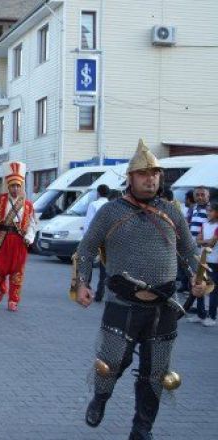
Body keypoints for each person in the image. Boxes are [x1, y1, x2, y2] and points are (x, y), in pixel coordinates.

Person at [73, 140, 210, 440]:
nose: (151, 179)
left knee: (156, 373)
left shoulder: (172, 212)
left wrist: (199, 281)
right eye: (144, 174)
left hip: (164, 304)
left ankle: (142, 428)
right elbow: (86, 250)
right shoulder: (111, 211)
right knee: (111, 362)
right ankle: (100, 398)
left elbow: (188, 252)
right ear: (130, 178)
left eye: (155, 174)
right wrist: (82, 284)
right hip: (122, 301)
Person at [0, 161, 35, 312]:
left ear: (21, 186)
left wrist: (29, 237)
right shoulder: (0, 199)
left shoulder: (28, 205)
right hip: (2, 240)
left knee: (17, 273)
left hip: (19, 242)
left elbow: (32, 225)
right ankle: (3, 288)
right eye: (12, 186)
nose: (15, 188)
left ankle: (13, 300)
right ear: (8, 186)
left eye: (17, 186)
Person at [184, 186, 210, 322]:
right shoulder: (194, 209)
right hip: (193, 250)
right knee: (195, 281)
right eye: (197, 195)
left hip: (205, 251)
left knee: (202, 282)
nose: (200, 197)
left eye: (203, 195)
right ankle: (200, 312)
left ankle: (203, 313)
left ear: (208, 196)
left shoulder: (210, 210)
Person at [84, 184, 111, 302]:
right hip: (108, 239)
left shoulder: (93, 205)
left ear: (98, 193)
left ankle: (86, 288)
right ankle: (100, 292)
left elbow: (89, 223)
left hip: (95, 238)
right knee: (104, 267)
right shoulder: (112, 206)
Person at [194, 201, 218, 327]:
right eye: (207, 210)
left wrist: (202, 241)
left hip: (215, 262)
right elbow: (198, 240)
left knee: (213, 290)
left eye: (211, 210)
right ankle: (200, 314)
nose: (208, 213)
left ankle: (212, 316)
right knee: (199, 287)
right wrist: (203, 241)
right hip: (203, 260)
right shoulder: (204, 224)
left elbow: (211, 244)